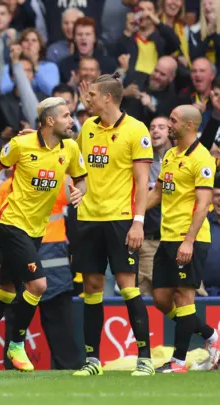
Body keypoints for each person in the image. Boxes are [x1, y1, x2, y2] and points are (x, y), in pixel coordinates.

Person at [0, 97, 88, 377]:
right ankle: (17, 344)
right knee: (38, 285)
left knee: (5, 293)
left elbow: (81, 178)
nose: (71, 120)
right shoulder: (20, 145)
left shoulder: (71, 148)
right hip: (10, 223)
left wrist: (80, 191)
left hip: (36, 230)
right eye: (65, 116)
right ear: (50, 121)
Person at [72, 72, 155, 377]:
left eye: (91, 94)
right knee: (92, 287)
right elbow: (75, 164)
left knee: (126, 286)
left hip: (121, 219)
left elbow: (143, 182)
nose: (87, 99)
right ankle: (92, 360)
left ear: (107, 97)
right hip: (88, 218)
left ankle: (144, 358)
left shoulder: (136, 130)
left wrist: (138, 222)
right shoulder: (88, 128)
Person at [146, 105, 220, 372]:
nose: (168, 125)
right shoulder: (170, 154)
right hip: (166, 237)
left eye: (173, 120)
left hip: (190, 238)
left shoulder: (201, 159)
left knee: (184, 298)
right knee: (160, 298)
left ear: (189, 126)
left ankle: (178, 362)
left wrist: (189, 241)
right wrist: (132, 214)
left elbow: (203, 205)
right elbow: (158, 192)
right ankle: (212, 336)